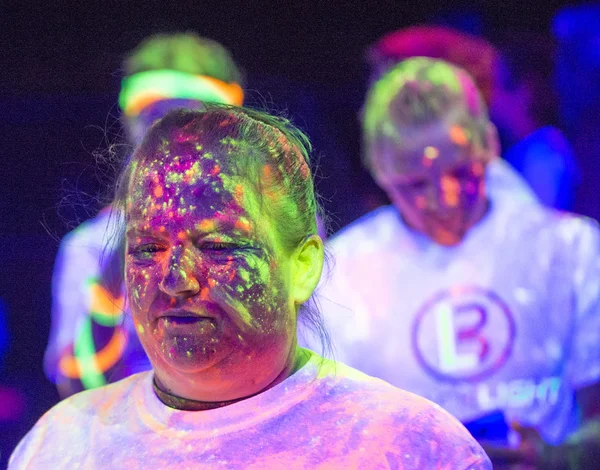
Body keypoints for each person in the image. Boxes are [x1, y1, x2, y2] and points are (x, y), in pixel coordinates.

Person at [9, 105, 491, 468]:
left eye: (219, 246)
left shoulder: (408, 444)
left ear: (302, 267)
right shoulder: (62, 445)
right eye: (148, 249)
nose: (176, 279)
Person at [311, 58, 600, 468]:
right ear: (379, 171)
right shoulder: (341, 278)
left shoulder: (571, 249)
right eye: (414, 185)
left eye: (462, 173)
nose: (443, 200)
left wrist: (561, 457)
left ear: (490, 145)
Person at [44, 32, 245, 397]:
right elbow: (79, 385)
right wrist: (132, 236)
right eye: (157, 118)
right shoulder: (89, 246)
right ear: (131, 124)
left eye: (193, 118)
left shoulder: (272, 232)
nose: (173, 137)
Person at [369, 25, 578, 210]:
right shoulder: (520, 154)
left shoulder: (543, 155)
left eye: (498, 81)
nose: (489, 90)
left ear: (527, 90)